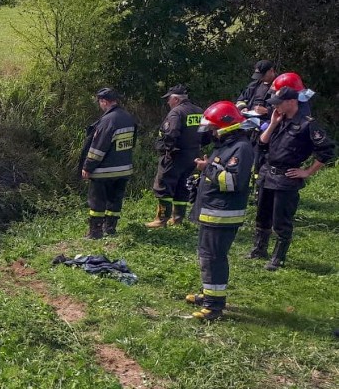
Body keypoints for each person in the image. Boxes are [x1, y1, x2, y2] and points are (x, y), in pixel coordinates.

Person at [247, 85, 335, 270]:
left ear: (292, 102)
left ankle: (278, 258)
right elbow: (262, 144)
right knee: (262, 216)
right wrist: (272, 124)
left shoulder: (307, 124)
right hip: (267, 175)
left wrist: (308, 171)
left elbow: (326, 150)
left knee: (281, 220)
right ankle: (259, 249)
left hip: (286, 179)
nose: (275, 106)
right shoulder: (278, 120)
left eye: (279, 103)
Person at [186, 101, 255, 321]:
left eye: (214, 128)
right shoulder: (225, 146)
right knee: (207, 256)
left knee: (214, 258)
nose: (212, 133)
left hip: (222, 215)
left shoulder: (241, 149)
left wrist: (208, 168)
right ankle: (208, 294)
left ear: (226, 127)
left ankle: (213, 307)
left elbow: (232, 182)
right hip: (212, 212)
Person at [80, 88, 137, 239]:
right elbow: (132, 143)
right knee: (115, 200)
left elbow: (98, 148)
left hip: (104, 171)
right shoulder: (128, 117)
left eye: (100, 102)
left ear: (104, 101)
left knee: (97, 201)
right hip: (124, 169)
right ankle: (110, 228)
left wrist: (87, 167)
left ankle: (95, 232)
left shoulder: (107, 120)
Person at [146, 84, 204, 227]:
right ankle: (178, 219)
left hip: (175, 155)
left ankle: (161, 219)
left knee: (164, 185)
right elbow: (207, 134)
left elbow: (171, 133)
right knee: (182, 185)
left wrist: (168, 150)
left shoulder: (176, 113)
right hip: (193, 155)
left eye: (169, 99)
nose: (168, 102)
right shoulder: (199, 111)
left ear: (176, 100)